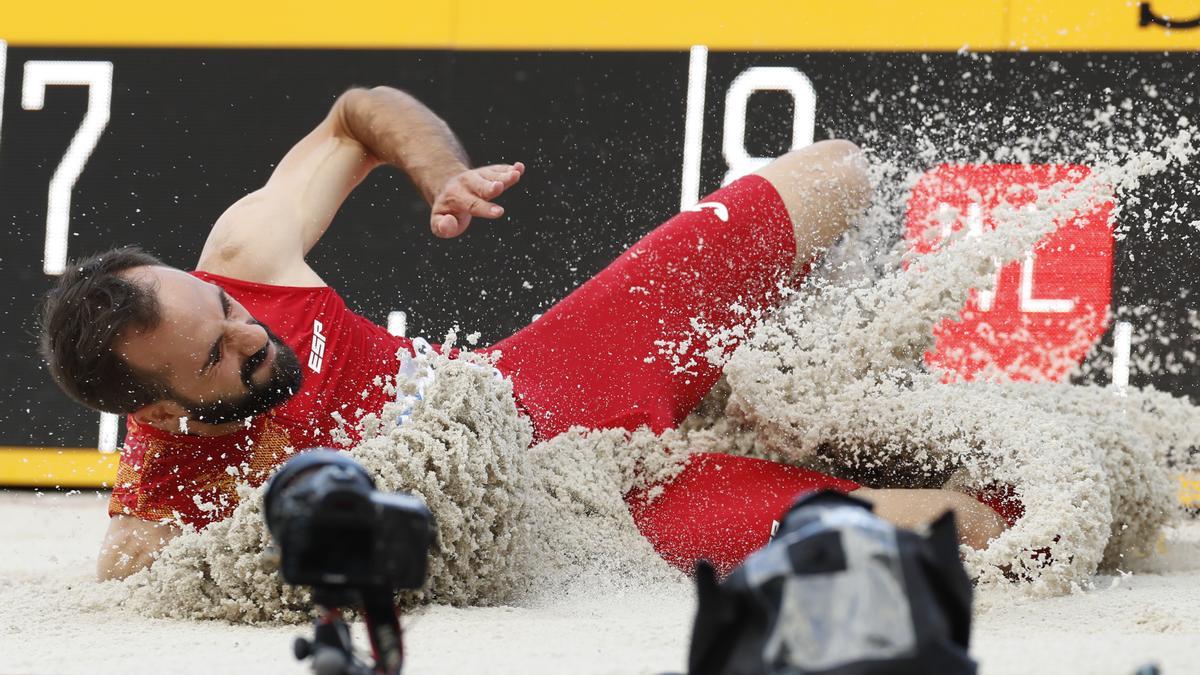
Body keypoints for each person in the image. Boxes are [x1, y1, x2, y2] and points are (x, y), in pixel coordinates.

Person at [37, 86, 1007, 581]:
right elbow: (153, 578)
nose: (247, 332)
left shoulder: (244, 259)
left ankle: (796, 390)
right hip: (574, 506)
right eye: (217, 356)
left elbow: (359, 115)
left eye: (225, 312)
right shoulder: (160, 516)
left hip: (541, 376)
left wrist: (441, 175)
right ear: (159, 412)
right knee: (967, 529)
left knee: (837, 173)